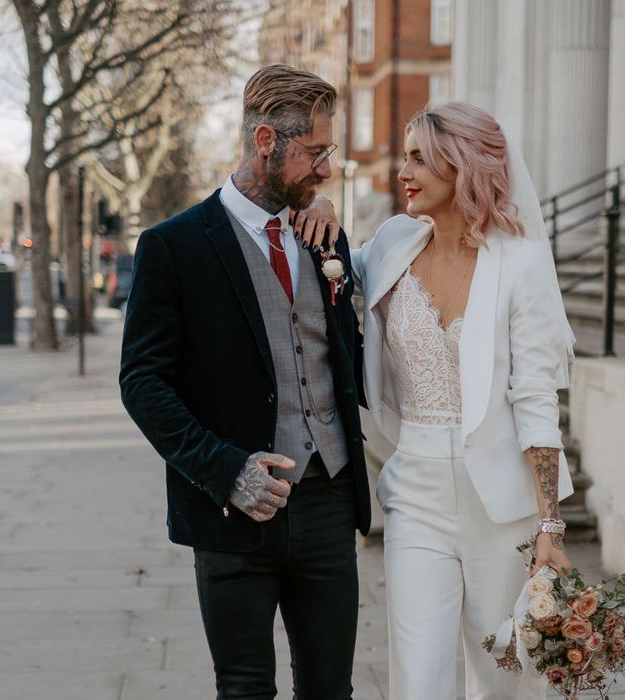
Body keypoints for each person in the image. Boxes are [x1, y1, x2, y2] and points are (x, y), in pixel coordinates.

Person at [298, 102, 576, 699]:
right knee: (417, 679)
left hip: (501, 506)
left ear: (464, 167)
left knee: (502, 677)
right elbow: (337, 266)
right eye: (406, 156)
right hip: (416, 494)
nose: (405, 171)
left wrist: (550, 521)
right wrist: (315, 206)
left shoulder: (520, 262)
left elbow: (534, 397)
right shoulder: (396, 241)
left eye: (420, 158)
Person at [119, 64, 369, 700]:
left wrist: (323, 210)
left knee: (330, 689)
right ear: (266, 141)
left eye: (329, 152)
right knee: (244, 688)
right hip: (232, 510)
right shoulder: (173, 247)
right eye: (315, 153)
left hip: (327, 503)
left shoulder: (321, 235)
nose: (327, 169)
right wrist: (225, 469)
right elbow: (142, 381)